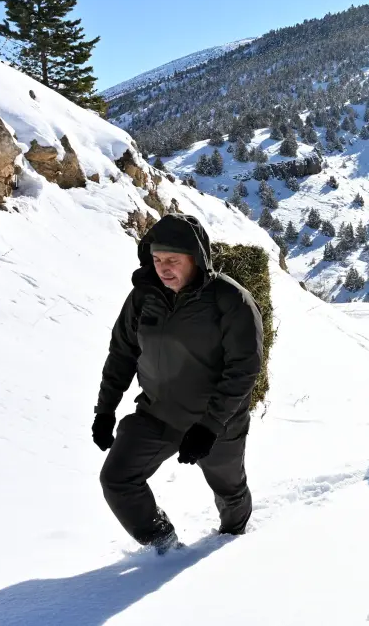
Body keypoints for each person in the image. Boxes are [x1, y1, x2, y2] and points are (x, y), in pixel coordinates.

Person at [92, 214, 263, 554]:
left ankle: (234, 544)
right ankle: (165, 549)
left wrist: (210, 425)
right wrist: (106, 409)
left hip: (216, 423)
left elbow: (244, 368)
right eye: (157, 260)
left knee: (229, 490)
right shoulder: (143, 298)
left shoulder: (230, 300)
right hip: (158, 414)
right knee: (117, 479)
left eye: (173, 260)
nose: (163, 268)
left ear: (196, 259)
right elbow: (121, 354)